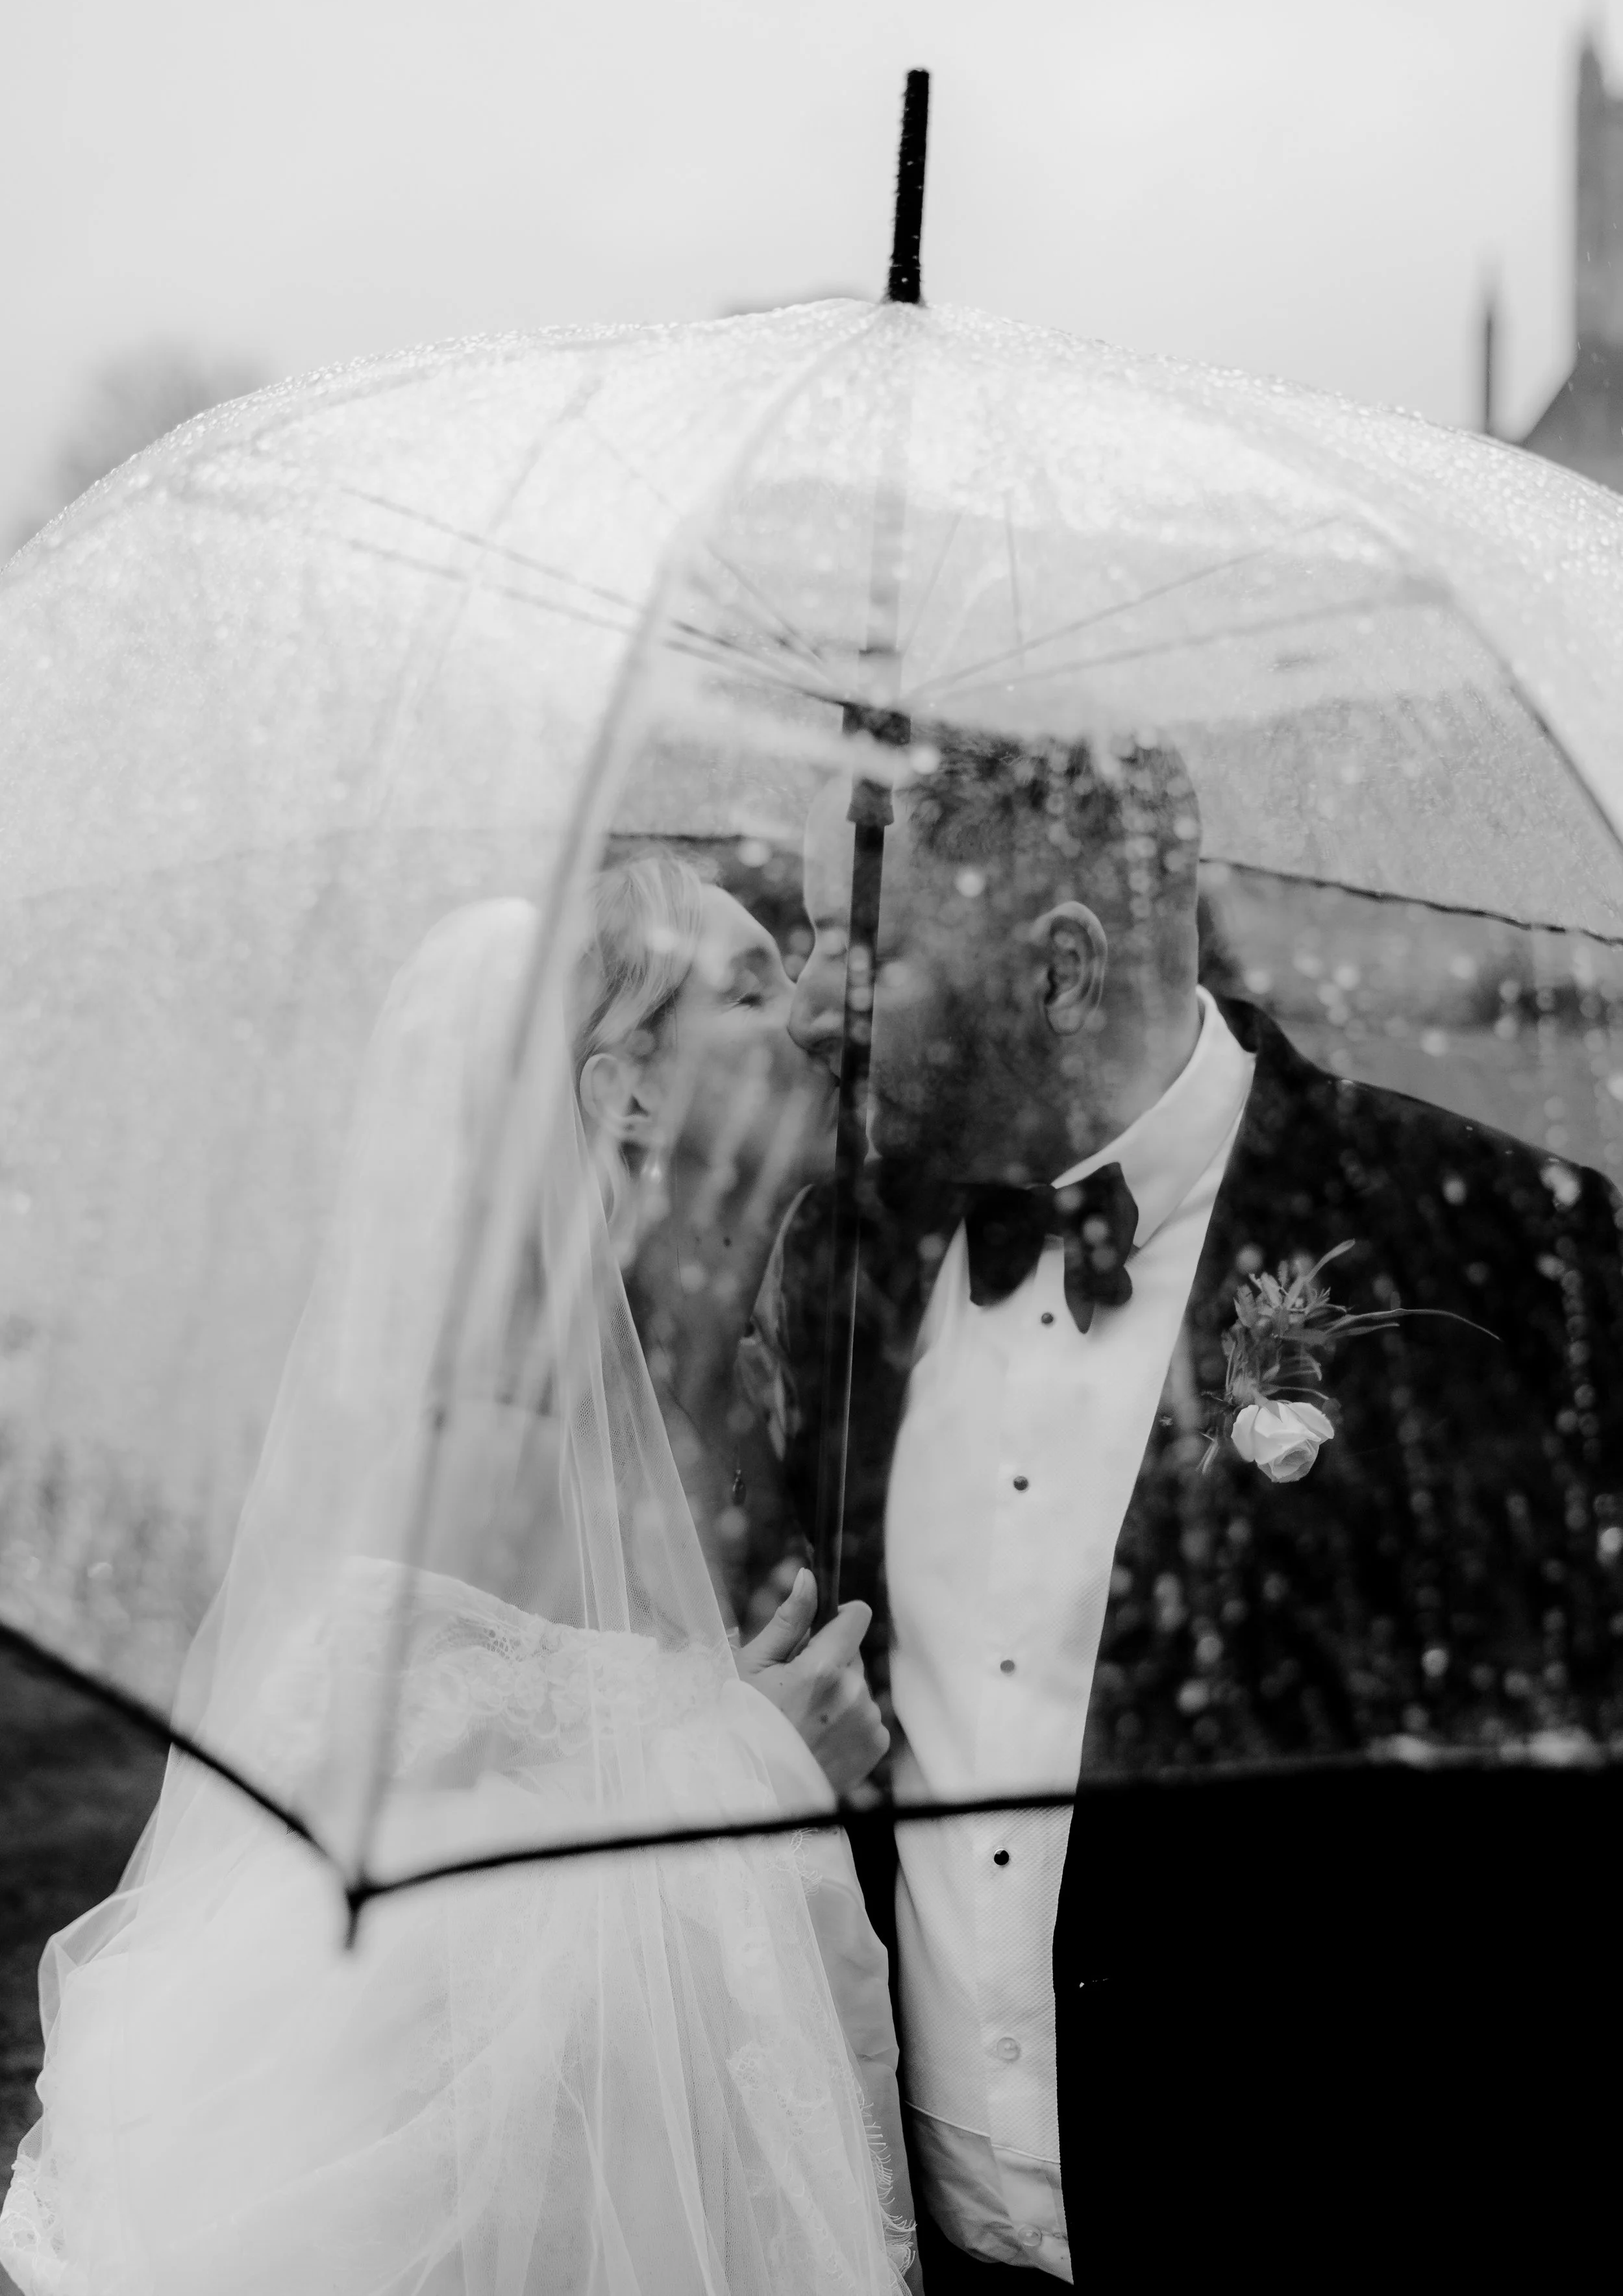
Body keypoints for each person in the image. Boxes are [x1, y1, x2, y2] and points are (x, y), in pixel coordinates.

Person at [749, 723, 1623, 2284]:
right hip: (908, 2253)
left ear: (1060, 972)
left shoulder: (1487, 1256)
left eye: (854, 951)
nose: (805, 1008)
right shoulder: (838, 1260)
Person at [0, 867, 916, 2296]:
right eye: (751, 989)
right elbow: (433, 1963)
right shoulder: (504, 1445)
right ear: (624, 1095)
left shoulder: (750, 1369)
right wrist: (760, 1760)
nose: (811, 1014)